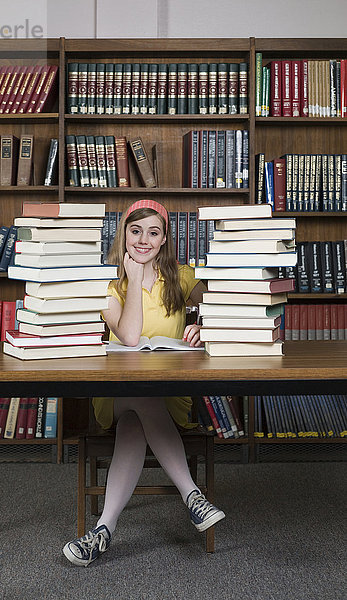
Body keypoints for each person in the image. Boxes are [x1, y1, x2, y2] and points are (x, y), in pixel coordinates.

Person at [63, 199, 225, 567]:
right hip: (116, 393)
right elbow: (131, 338)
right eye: (135, 231)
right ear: (123, 235)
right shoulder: (106, 285)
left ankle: (102, 530)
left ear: (164, 238)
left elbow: (226, 307)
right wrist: (133, 280)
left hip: (170, 394)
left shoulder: (182, 277)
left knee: (137, 419)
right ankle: (193, 498)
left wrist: (206, 325)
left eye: (153, 232)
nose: (143, 240)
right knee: (139, 395)